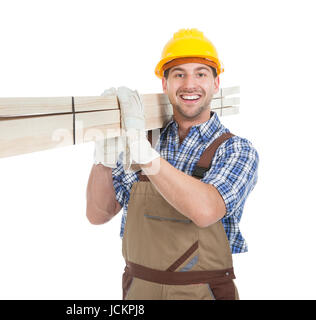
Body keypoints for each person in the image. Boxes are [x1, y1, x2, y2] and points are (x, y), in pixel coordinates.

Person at [85, 28, 259, 300]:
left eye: (201, 73)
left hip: (202, 293)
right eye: (179, 74)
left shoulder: (236, 150)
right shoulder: (142, 140)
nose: (190, 84)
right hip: (139, 292)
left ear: (216, 83)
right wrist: (104, 158)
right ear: (165, 84)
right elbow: (98, 214)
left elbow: (205, 210)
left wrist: (145, 157)